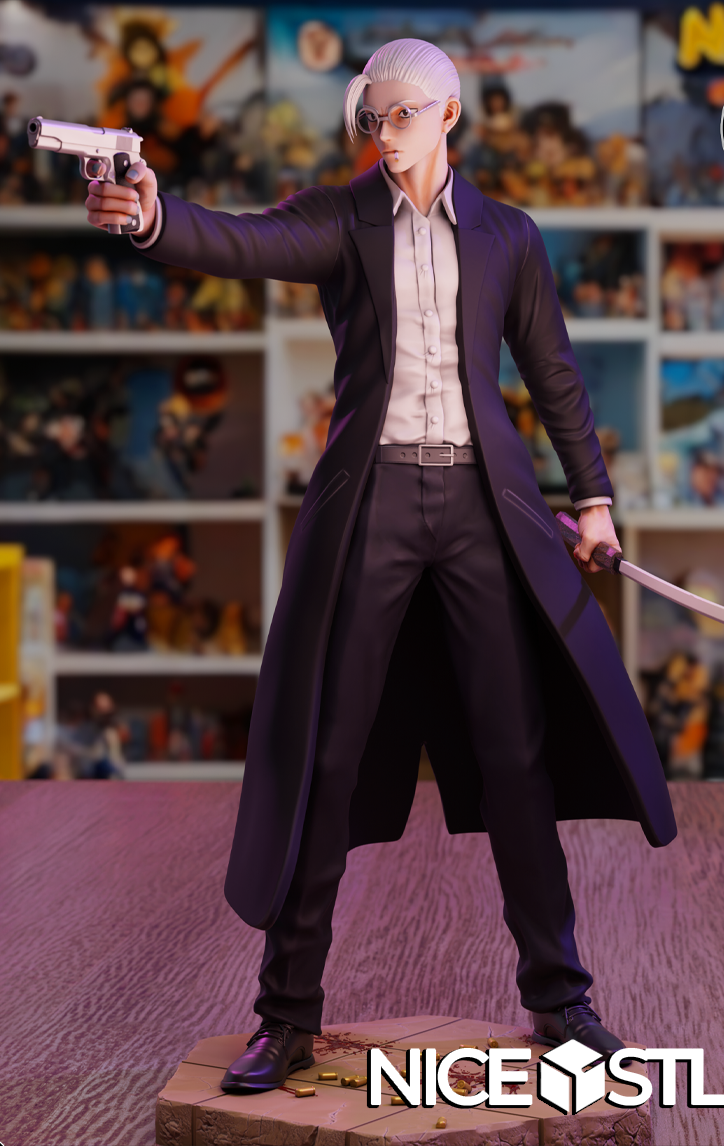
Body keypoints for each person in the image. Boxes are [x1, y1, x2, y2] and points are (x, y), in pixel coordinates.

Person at [86, 38, 676, 1092]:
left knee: (517, 754)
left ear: (449, 114)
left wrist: (591, 499)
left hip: (481, 508)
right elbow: (243, 242)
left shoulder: (506, 234)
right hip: (372, 505)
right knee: (330, 752)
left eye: (404, 113)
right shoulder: (341, 218)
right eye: (372, 116)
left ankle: (561, 1002)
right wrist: (152, 218)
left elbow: (552, 372)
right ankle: (286, 1015)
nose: (384, 132)